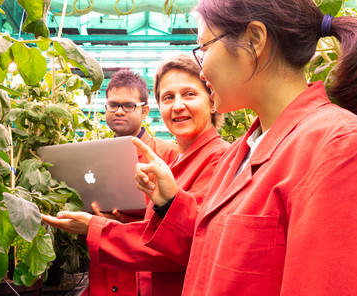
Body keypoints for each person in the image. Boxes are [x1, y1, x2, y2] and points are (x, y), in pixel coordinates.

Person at [130, 1, 357, 295]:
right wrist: (169, 202)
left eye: (205, 47)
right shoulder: (239, 153)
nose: (202, 67)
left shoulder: (344, 148)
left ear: (255, 40)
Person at [42, 54, 230, 296]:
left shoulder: (216, 160)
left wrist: (95, 228)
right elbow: (166, 232)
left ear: (212, 100)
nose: (178, 105)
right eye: (168, 97)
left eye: (190, 94)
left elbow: (180, 245)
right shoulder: (182, 161)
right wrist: (117, 223)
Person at [86, 69, 180, 295]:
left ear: (145, 111)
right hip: (105, 270)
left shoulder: (168, 155)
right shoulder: (91, 156)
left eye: (128, 105)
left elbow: (176, 226)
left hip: (143, 275)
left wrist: (124, 221)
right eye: (112, 105)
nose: (119, 111)